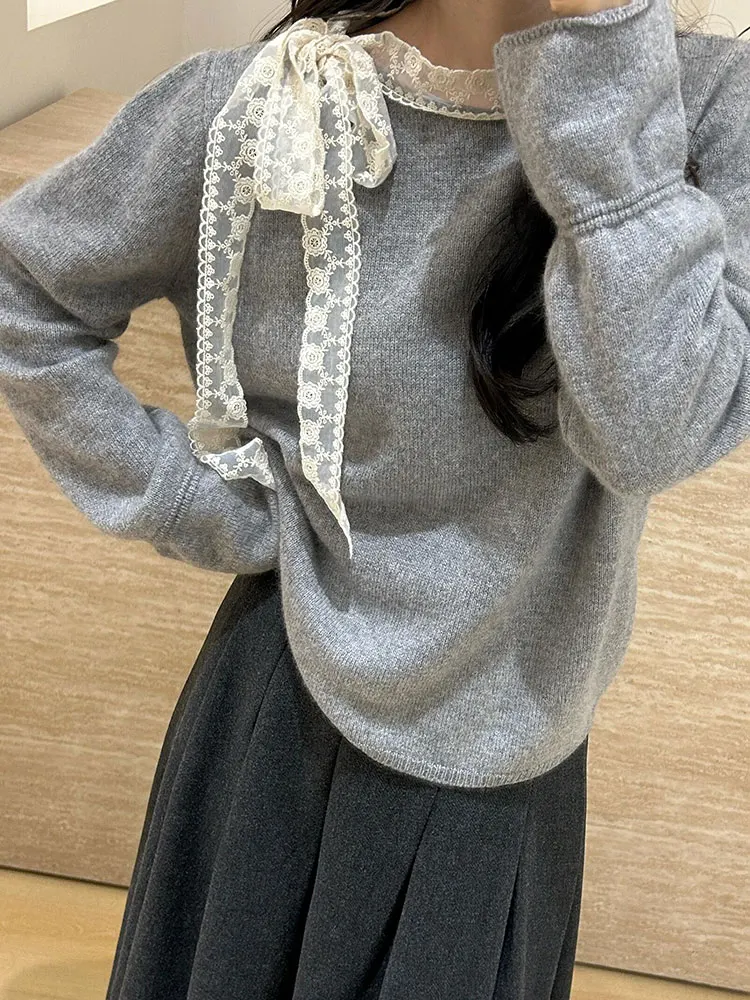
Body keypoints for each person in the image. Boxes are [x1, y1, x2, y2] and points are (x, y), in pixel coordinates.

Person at [0, 0, 748, 995]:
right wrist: (191, 500)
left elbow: (654, 431)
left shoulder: (707, 108)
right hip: (276, 714)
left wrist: (604, 68)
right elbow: (26, 289)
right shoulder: (275, 99)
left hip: (505, 759)